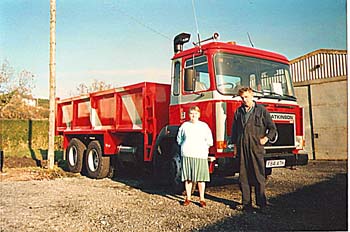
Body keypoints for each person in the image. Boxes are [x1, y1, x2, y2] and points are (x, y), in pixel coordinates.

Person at [231, 87, 277, 211]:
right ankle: (246, 203)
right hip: (242, 148)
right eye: (242, 98)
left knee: (258, 176)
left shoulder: (261, 110)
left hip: (256, 148)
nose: (244, 100)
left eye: (246, 97)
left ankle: (261, 204)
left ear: (252, 96)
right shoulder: (239, 112)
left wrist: (266, 139)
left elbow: (272, 128)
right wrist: (235, 146)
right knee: (243, 177)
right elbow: (234, 131)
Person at [177, 106, 213, 207]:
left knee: (201, 179)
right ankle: (188, 198)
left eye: (196, 114)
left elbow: (209, 141)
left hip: (200, 155)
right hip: (187, 154)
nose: (193, 116)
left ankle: (202, 199)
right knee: (188, 178)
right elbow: (179, 139)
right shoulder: (184, 126)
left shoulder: (204, 126)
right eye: (192, 114)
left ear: (199, 115)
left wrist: (204, 148)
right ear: (189, 115)